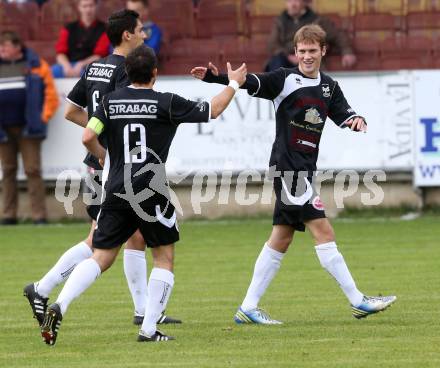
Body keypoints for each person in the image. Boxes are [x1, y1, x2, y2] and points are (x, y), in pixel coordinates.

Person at [39, 44, 247, 344]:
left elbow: (87, 136)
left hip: (115, 189)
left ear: (127, 72)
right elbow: (213, 109)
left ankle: (61, 304)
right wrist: (233, 83)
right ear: (154, 73)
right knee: (163, 257)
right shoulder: (166, 102)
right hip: (150, 190)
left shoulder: (110, 102)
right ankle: (149, 330)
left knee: (101, 256)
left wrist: (102, 156)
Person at [191, 24, 396, 324]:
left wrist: (357, 120)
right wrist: (215, 78)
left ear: (324, 51)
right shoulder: (284, 79)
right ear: (295, 52)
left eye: (313, 51)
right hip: (288, 169)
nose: (307, 56)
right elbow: (249, 81)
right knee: (323, 231)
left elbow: (344, 114)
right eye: (302, 51)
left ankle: (248, 308)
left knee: (281, 238)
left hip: (303, 170)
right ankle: (358, 300)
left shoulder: (329, 87)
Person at [23, 10, 180, 331]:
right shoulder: (126, 71)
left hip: (99, 160)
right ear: (127, 35)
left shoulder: (96, 66)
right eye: (140, 30)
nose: (144, 35)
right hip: (112, 164)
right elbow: (119, 111)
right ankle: (42, 288)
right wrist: (111, 143)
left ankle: (142, 310)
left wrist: (100, 133)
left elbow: (71, 111)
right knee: (102, 241)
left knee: (130, 237)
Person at [0, 30, 58, 225]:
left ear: (17, 47)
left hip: (29, 128)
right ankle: (9, 215)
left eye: (4, 46)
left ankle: (39, 216)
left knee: (33, 170)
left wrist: (42, 118)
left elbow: (51, 96)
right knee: (7, 170)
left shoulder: (36, 64)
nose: (1, 50)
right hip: (3, 129)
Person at [266, 0, 356, 71]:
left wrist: (347, 52)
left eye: (296, 0)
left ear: (305, 2)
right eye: (289, 1)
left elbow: (337, 36)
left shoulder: (318, 20)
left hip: (309, 56)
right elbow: (272, 44)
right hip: (286, 58)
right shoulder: (279, 21)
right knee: (277, 63)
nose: (293, 4)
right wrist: (289, 56)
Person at [51, 0, 110, 78]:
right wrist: (66, 66)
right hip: (69, 64)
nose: (88, 10)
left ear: (96, 6)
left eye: (91, 6)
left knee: (89, 73)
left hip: (92, 66)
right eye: (84, 6)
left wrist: (81, 64)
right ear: (79, 8)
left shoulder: (104, 29)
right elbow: (60, 53)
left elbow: (100, 55)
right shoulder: (68, 28)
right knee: (52, 71)